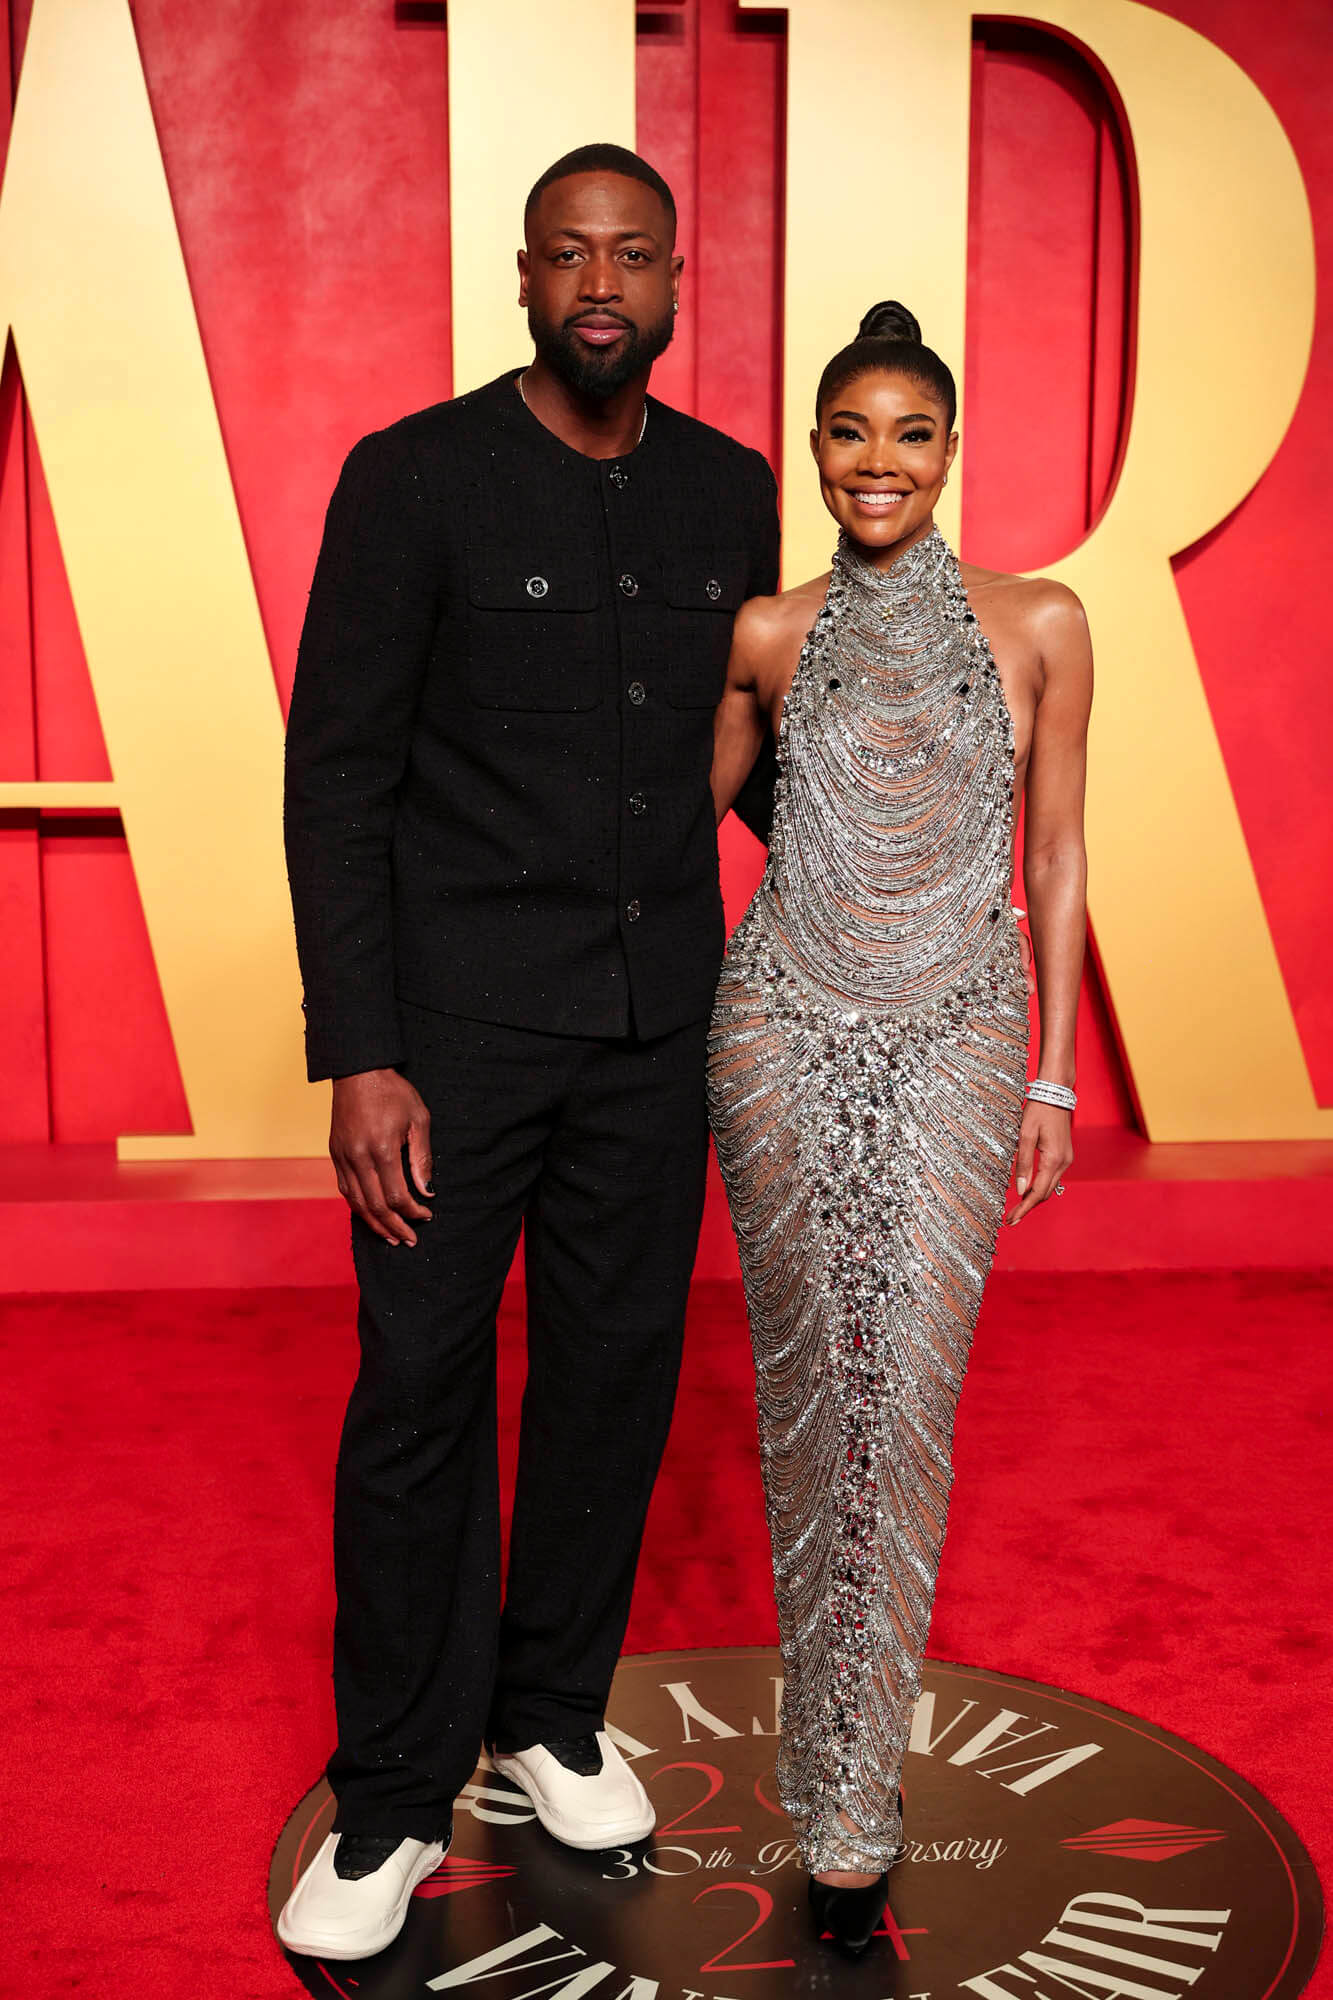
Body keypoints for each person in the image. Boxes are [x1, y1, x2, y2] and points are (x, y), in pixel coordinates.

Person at [277, 143, 779, 1963]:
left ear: (669, 286)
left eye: (630, 254)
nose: (599, 281)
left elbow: (766, 764)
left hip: (654, 1039)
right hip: (455, 1050)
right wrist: (362, 1055)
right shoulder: (410, 482)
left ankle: (550, 1712)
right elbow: (336, 778)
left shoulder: (730, 494)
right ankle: (397, 1795)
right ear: (519, 278)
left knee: (612, 1379)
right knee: (417, 1399)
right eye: (566, 253)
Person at [707, 302, 1091, 1958]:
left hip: (958, 1044)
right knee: (807, 1410)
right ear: (815, 448)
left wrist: (1053, 1077)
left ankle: (863, 1796)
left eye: (909, 433)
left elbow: (1060, 856)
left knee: (904, 1408)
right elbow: (657, 831)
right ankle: (834, 1808)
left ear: (949, 450)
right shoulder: (767, 631)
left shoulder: (1043, 621)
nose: (877, 461)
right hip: (780, 1035)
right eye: (849, 432)